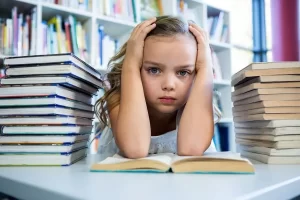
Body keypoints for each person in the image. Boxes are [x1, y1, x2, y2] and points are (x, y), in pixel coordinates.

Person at [95, 15, 222, 159]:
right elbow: (135, 149)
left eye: (183, 72)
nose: (168, 85)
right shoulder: (119, 98)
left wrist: (206, 66)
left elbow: (190, 151)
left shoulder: (196, 102)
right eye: (154, 70)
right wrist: (130, 64)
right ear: (136, 69)